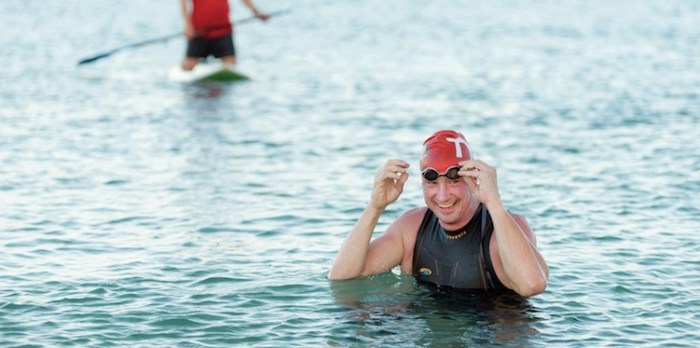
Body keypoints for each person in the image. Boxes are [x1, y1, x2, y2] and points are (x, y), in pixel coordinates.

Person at [328, 130, 549, 297]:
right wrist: (374, 207)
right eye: (432, 182)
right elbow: (343, 277)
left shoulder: (503, 230)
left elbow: (532, 285)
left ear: (473, 178)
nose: (443, 196)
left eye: (454, 180)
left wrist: (494, 203)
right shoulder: (411, 228)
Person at [179, 0, 269, 71]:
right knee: (188, 67)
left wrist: (257, 12)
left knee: (231, 66)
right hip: (199, 32)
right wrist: (187, 25)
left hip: (223, 31)